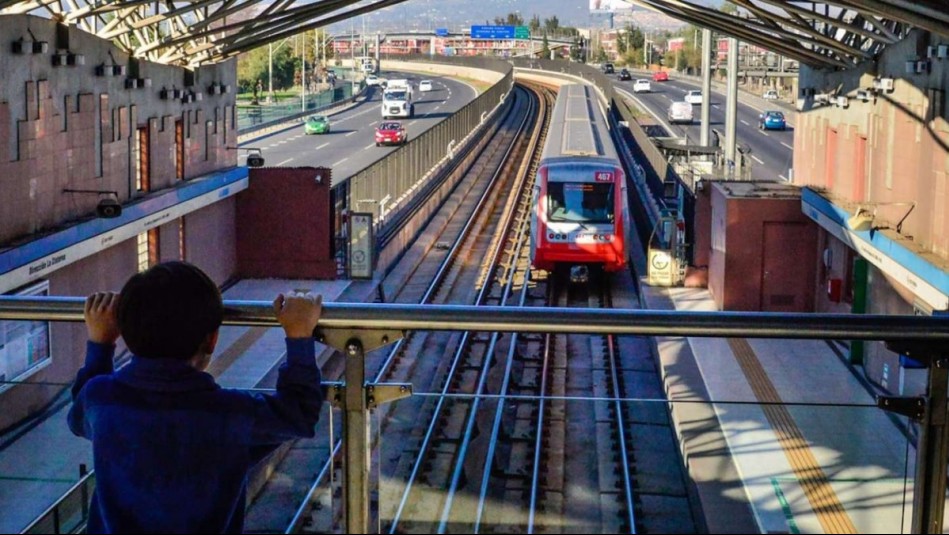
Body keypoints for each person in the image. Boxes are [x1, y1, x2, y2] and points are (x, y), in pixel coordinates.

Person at [67, 261, 325, 533]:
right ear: (212, 340)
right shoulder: (231, 414)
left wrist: (99, 344)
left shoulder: (101, 399)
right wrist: (299, 337)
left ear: (125, 335)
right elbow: (299, 414)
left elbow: (79, 415)